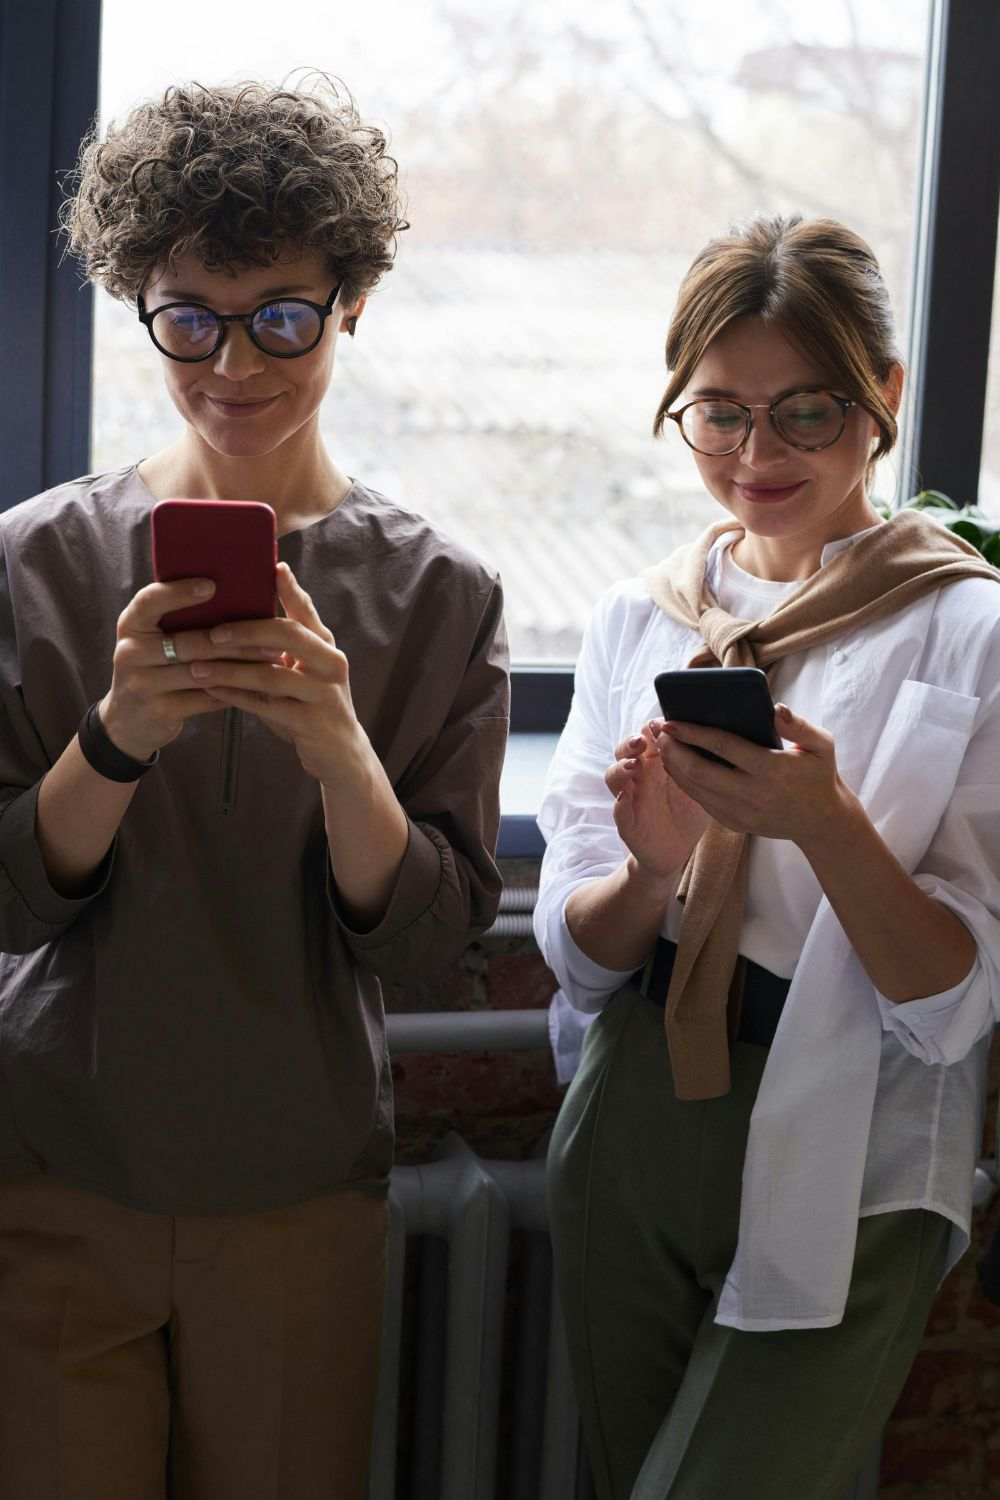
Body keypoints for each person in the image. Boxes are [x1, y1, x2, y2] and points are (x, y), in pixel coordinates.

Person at [0, 78, 509, 1500]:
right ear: (140, 307)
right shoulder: (34, 562)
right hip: (55, 1166)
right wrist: (117, 736)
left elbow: (429, 941)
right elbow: (8, 906)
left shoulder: (441, 593)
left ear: (353, 304)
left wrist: (341, 748)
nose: (233, 362)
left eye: (282, 316)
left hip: (298, 1189)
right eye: (190, 319)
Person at [534, 214, 1000, 1500]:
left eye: (805, 410)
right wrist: (649, 869)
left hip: (855, 1120)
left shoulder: (967, 630)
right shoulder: (639, 616)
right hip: (637, 1095)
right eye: (719, 414)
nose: (758, 454)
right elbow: (576, 961)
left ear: (882, 394)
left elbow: (955, 1005)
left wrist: (829, 826)